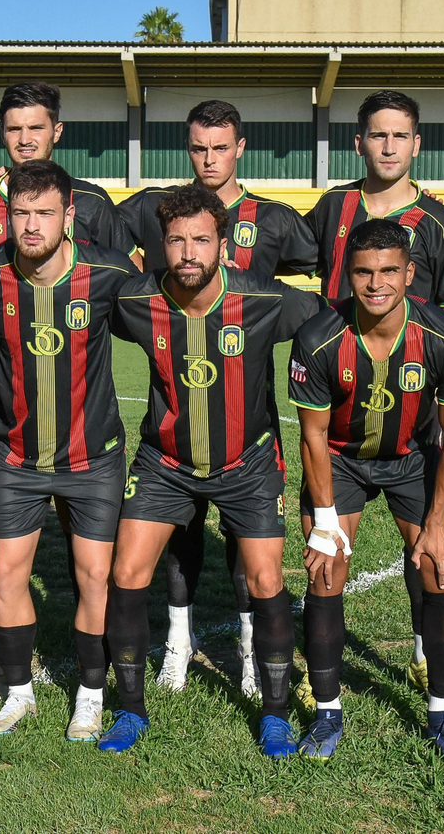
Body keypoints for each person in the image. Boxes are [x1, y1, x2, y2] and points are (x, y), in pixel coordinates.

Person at [97, 185, 323, 759]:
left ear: (224, 246)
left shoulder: (266, 300)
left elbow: (330, 320)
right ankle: (129, 711)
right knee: (125, 573)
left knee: (267, 581)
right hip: (165, 462)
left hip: (247, 462)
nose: (188, 252)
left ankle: (274, 716)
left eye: (201, 240)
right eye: (176, 241)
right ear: (160, 245)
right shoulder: (135, 301)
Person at [288, 217, 444, 765]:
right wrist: (325, 522)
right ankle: (327, 714)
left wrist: (440, 523)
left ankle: (443, 716)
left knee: (441, 567)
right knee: (326, 568)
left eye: (389, 272)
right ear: (347, 275)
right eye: (364, 272)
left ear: (410, 274)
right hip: (341, 463)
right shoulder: (318, 338)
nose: (377, 284)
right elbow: (313, 438)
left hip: (411, 460)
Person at [303, 89, 444, 692]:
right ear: (359, 142)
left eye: (400, 135)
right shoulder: (332, 208)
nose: (388, 146)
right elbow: (276, 248)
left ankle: (425, 647)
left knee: (425, 549)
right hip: (340, 401)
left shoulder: (440, 223)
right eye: (378, 134)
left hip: (414, 415)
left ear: (416, 144)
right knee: (324, 557)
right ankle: (318, 680)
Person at [0, 159, 138, 740]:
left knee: (93, 576)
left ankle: (89, 695)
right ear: (7, 215)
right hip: (14, 458)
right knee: (6, 573)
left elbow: (171, 312)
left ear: (69, 215)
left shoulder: (108, 272)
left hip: (93, 459)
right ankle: (18, 693)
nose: (31, 225)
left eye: (43, 213)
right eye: (20, 212)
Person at [0, 82, 128, 272]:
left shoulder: (93, 203)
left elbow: (131, 274)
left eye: (36, 128)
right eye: (14, 129)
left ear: (57, 131)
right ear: (2, 133)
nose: (25, 140)